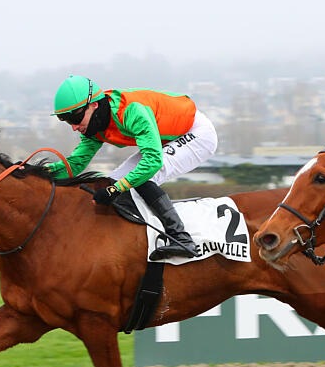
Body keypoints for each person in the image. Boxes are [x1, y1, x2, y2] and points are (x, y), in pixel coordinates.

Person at [48, 75, 218, 260]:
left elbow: (152, 162)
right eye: (67, 121)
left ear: (94, 105)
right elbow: (75, 164)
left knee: (142, 178)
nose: (74, 127)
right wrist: (38, 172)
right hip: (166, 136)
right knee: (111, 180)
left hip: (196, 133)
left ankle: (181, 238)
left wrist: (115, 189)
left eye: (75, 118)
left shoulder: (131, 111)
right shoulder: (93, 125)